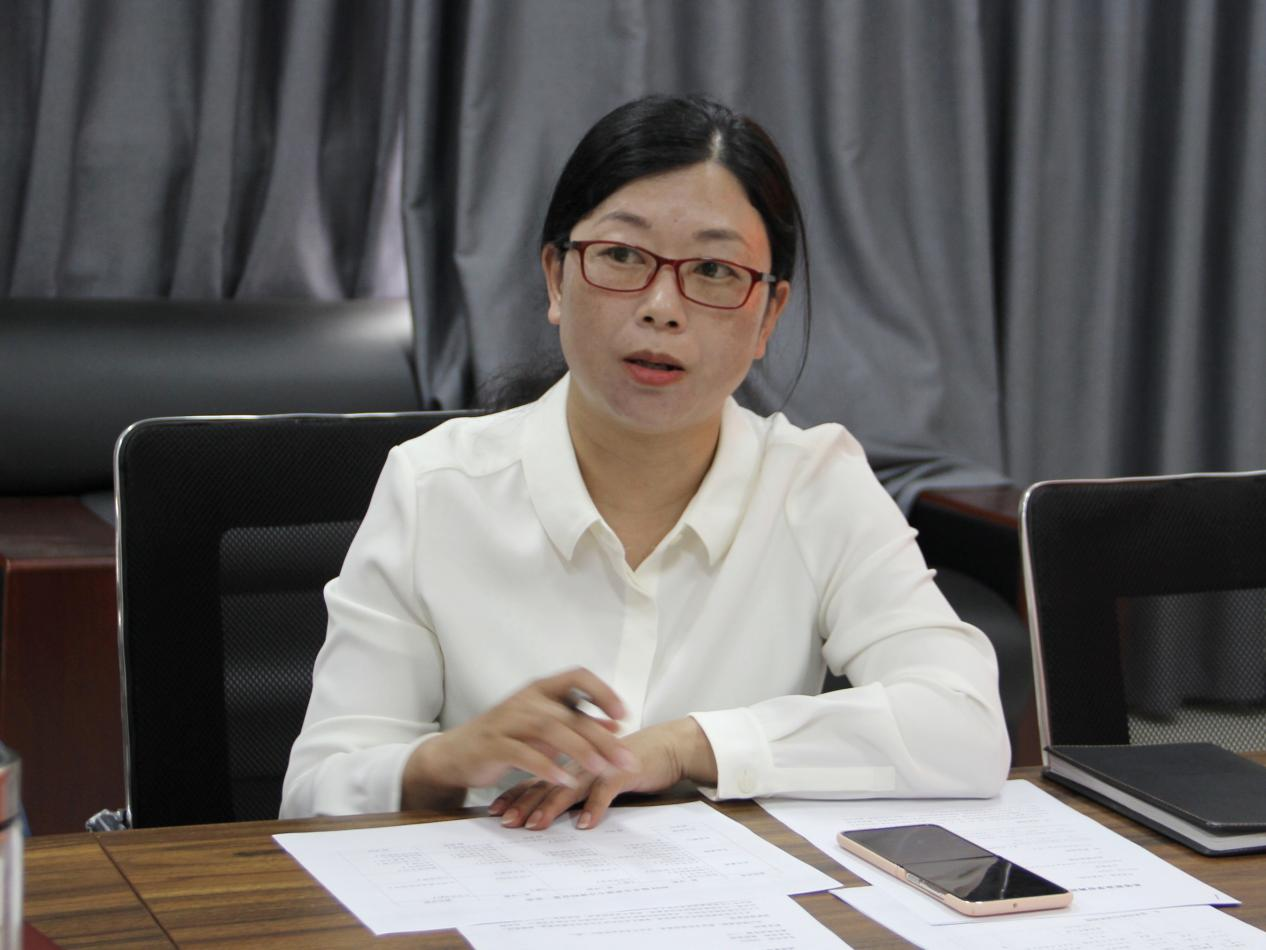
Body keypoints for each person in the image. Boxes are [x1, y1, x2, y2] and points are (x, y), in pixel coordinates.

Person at [281, 94, 1010, 830]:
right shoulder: (433, 487)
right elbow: (313, 793)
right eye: (622, 256)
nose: (663, 306)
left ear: (769, 315)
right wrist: (444, 762)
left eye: (715, 270)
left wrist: (685, 746)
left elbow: (966, 727)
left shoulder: (814, 482)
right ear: (556, 279)